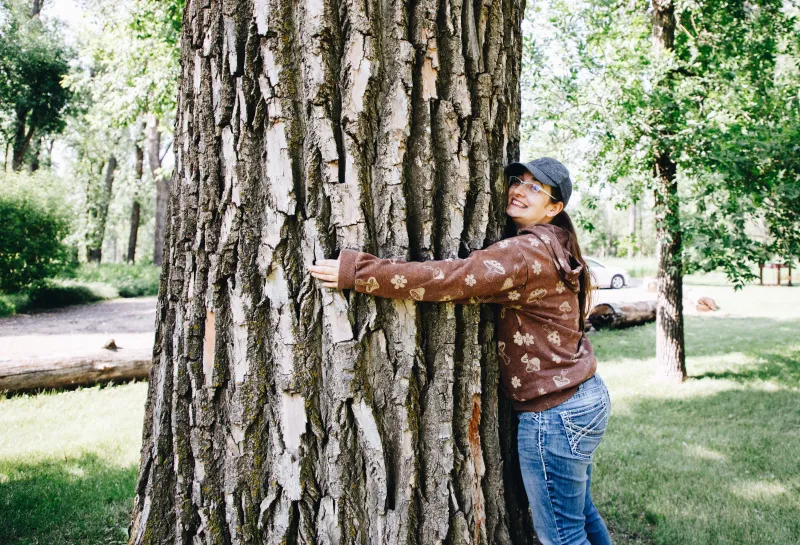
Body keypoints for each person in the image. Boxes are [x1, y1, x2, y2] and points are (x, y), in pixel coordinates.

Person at [309, 157, 612, 545]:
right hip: (583, 397)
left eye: (535, 188)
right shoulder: (557, 243)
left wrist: (360, 273)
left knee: (563, 535)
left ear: (554, 208)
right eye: (518, 180)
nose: (519, 190)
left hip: (555, 414)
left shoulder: (525, 253)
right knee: (581, 515)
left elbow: (450, 279)